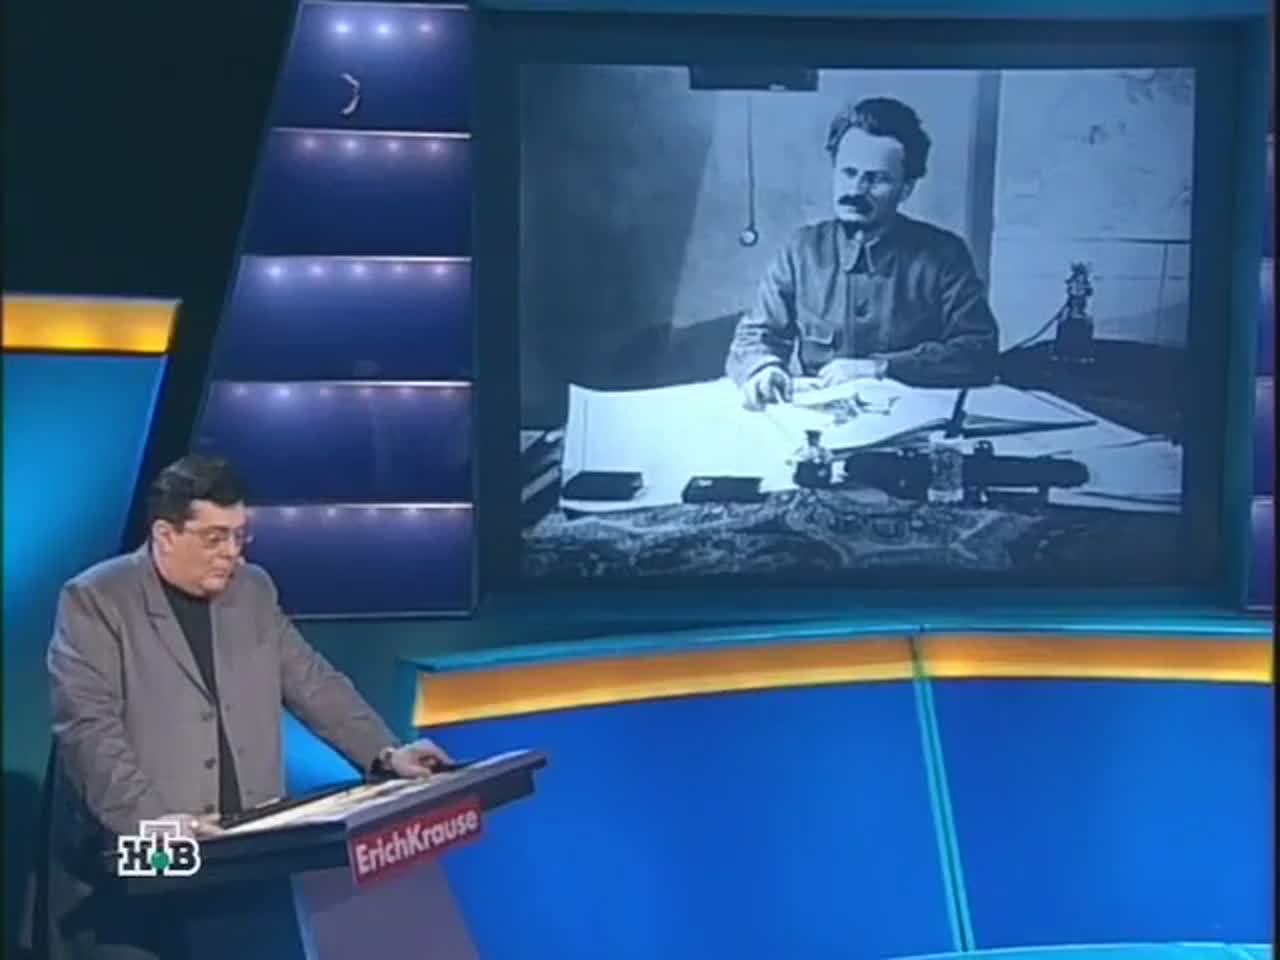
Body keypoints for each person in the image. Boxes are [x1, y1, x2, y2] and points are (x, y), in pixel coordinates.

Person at [42, 455, 453, 960]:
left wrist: (386, 752)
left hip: (247, 858)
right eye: (215, 538)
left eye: (240, 536)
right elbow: (88, 731)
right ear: (165, 535)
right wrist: (155, 823)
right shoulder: (97, 598)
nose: (231, 553)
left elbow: (313, 681)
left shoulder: (253, 590)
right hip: (148, 861)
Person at [726, 97, 1000, 410]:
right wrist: (764, 368)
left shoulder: (944, 254)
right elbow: (755, 335)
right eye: (848, 172)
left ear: (906, 188)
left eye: (877, 179)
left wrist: (881, 368)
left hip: (913, 419)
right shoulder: (801, 250)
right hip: (822, 419)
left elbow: (979, 352)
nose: (855, 190)